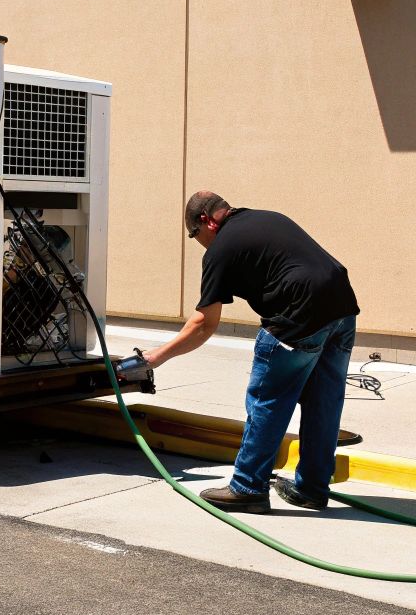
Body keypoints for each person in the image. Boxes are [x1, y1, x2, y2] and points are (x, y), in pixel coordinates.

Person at [137, 191, 360, 514]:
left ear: (206, 222)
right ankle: (312, 488)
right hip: (342, 309)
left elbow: (204, 324)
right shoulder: (268, 217)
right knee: (323, 401)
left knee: (268, 401)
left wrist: (155, 357)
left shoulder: (221, 248)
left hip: (298, 316)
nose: (199, 242)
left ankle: (247, 487)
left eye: (195, 236)